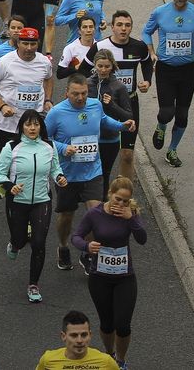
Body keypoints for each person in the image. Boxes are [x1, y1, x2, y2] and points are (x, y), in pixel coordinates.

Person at [47, 74, 135, 272]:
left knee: (97, 214)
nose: (80, 98)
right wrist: (62, 148)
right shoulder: (56, 113)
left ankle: (87, 253)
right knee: (66, 216)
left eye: (84, 93)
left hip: (92, 171)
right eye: (75, 94)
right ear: (66, 92)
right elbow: (45, 139)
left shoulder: (95, 105)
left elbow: (104, 121)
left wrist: (122, 125)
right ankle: (63, 246)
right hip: (67, 175)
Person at [72, 176, 147, 368]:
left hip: (124, 277)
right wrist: (87, 246)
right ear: (110, 195)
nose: (121, 204)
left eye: (125, 201)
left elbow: (142, 239)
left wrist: (131, 219)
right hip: (100, 277)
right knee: (107, 324)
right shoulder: (95, 214)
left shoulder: (130, 214)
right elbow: (76, 236)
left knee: (123, 325)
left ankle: (121, 362)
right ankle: (110, 356)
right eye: (118, 199)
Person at [142, 0, 194, 168]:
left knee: (182, 115)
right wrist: (151, 52)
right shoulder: (160, 12)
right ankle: (161, 127)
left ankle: (172, 150)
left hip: (187, 70)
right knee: (167, 112)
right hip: (165, 69)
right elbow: (146, 32)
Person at [0, 109, 66, 302]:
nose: (32, 128)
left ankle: (33, 284)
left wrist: (59, 178)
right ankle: (15, 244)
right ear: (22, 127)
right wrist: (10, 187)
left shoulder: (48, 146)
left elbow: (55, 169)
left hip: (42, 200)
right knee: (20, 239)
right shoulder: (12, 146)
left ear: (41, 127)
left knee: (39, 242)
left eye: (36, 124)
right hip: (17, 201)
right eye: (28, 124)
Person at [79, 10, 152, 180]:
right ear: (112, 27)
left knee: (127, 154)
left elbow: (147, 63)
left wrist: (147, 81)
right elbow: (82, 71)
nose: (123, 29)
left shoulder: (139, 46)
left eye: (127, 25)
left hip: (129, 102)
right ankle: (96, 187)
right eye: (119, 25)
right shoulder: (100, 47)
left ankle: (125, 195)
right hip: (103, 105)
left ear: (131, 27)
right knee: (97, 149)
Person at [0, 27, 54, 150]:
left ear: (38, 44)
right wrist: (2, 105)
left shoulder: (44, 62)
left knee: (37, 161)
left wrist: (47, 100)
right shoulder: (4, 62)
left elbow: (49, 78)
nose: (29, 48)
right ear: (18, 43)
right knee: (10, 164)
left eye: (33, 44)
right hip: (10, 124)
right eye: (25, 43)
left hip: (35, 124)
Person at [85, 50, 132, 198]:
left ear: (112, 66)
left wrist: (112, 105)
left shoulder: (119, 87)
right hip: (86, 138)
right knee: (86, 172)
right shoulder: (86, 84)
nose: (103, 70)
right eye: (100, 66)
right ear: (94, 65)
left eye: (107, 66)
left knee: (104, 173)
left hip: (109, 139)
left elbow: (128, 116)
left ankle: (102, 204)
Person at [35, 310, 119, 370]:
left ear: (90, 335)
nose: (79, 340)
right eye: (74, 335)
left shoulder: (106, 361)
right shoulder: (48, 360)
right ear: (63, 336)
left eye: (84, 335)